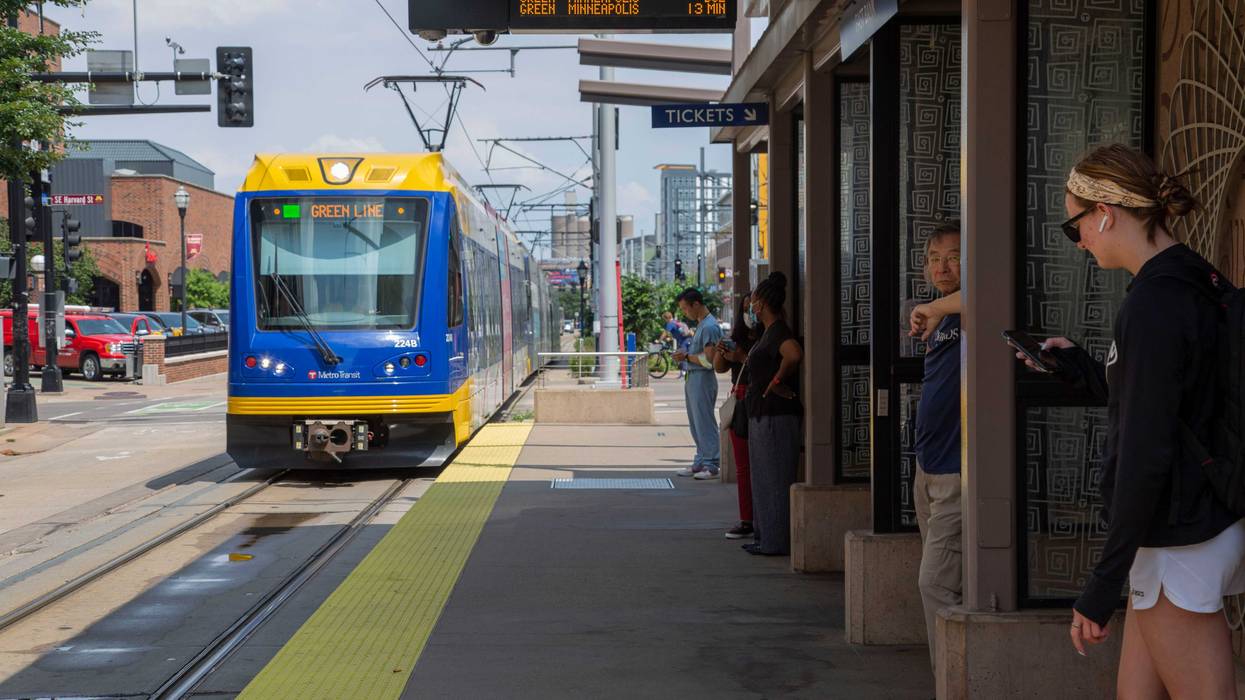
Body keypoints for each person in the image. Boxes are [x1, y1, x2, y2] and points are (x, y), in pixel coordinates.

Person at [1013, 144, 1245, 698]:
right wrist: (1085, 372)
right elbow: (1179, 399)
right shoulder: (1196, 279)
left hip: (1176, 538)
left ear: (1105, 214)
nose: (1080, 242)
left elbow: (1143, 451)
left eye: (1077, 227)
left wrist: (1101, 583)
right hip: (1199, 519)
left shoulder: (1150, 305)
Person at [906, 221, 964, 672]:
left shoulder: (976, 303)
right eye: (934, 258)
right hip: (929, 467)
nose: (943, 266)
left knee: (936, 585)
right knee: (947, 582)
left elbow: (984, 293)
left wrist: (936, 308)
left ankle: (951, 681)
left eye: (954, 256)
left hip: (960, 473)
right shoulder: (942, 314)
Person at [742, 272, 803, 555]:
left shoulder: (779, 331)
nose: (751, 308)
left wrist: (777, 381)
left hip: (775, 416)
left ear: (762, 304)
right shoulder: (767, 332)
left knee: (775, 479)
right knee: (765, 479)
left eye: (754, 302)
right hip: (762, 414)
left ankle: (775, 541)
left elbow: (793, 354)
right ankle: (765, 537)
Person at [714, 291, 760, 539]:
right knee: (743, 465)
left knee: (762, 464)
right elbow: (720, 368)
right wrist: (722, 353)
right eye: (746, 307)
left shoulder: (767, 337)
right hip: (740, 402)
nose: (751, 311)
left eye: (753, 306)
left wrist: (742, 357)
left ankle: (761, 517)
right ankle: (746, 518)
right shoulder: (738, 337)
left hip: (761, 401)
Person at [673, 289, 724, 479]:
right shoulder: (703, 325)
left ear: (696, 304)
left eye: (686, 309)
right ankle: (701, 460)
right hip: (694, 377)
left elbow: (709, 360)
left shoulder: (709, 327)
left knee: (704, 421)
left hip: (702, 378)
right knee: (696, 422)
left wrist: (686, 356)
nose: (686, 313)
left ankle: (711, 464)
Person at [660, 310, 693, 377]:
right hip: (687, 339)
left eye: (664, 319)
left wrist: (659, 340)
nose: (665, 321)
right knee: (683, 355)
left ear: (667, 318)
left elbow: (665, 332)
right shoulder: (676, 322)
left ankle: (684, 371)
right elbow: (677, 333)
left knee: (682, 355)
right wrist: (670, 339)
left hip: (684, 341)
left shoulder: (670, 323)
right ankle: (684, 371)